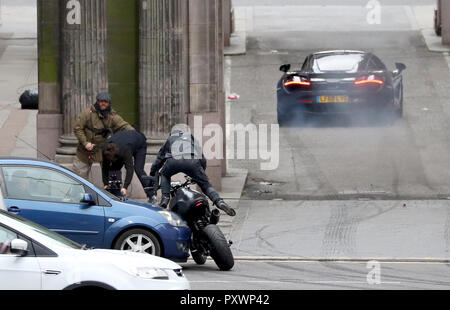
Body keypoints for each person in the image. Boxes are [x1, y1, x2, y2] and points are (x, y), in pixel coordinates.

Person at [149, 124, 236, 216]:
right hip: (192, 161)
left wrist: (153, 172)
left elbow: (159, 159)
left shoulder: (170, 139)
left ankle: (165, 200)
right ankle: (219, 202)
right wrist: (201, 174)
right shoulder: (191, 138)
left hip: (173, 161)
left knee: (165, 175)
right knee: (206, 185)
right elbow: (202, 158)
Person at [73, 92, 134, 180]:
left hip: (104, 150)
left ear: (109, 103)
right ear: (97, 101)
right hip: (85, 151)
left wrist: (135, 134)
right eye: (101, 101)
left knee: (111, 177)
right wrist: (85, 142)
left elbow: (123, 125)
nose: (103, 103)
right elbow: (78, 128)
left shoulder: (112, 115)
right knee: (79, 177)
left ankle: (111, 192)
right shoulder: (87, 113)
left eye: (106, 101)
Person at [102, 130, 149, 198]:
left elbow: (130, 169)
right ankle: (115, 194)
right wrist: (105, 183)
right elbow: (104, 167)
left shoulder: (125, 150)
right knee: (114, 169)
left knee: (138, 169)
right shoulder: (105, 149)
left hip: (139, 143)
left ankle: (151, 194)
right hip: (124, 142)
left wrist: (125, 187)